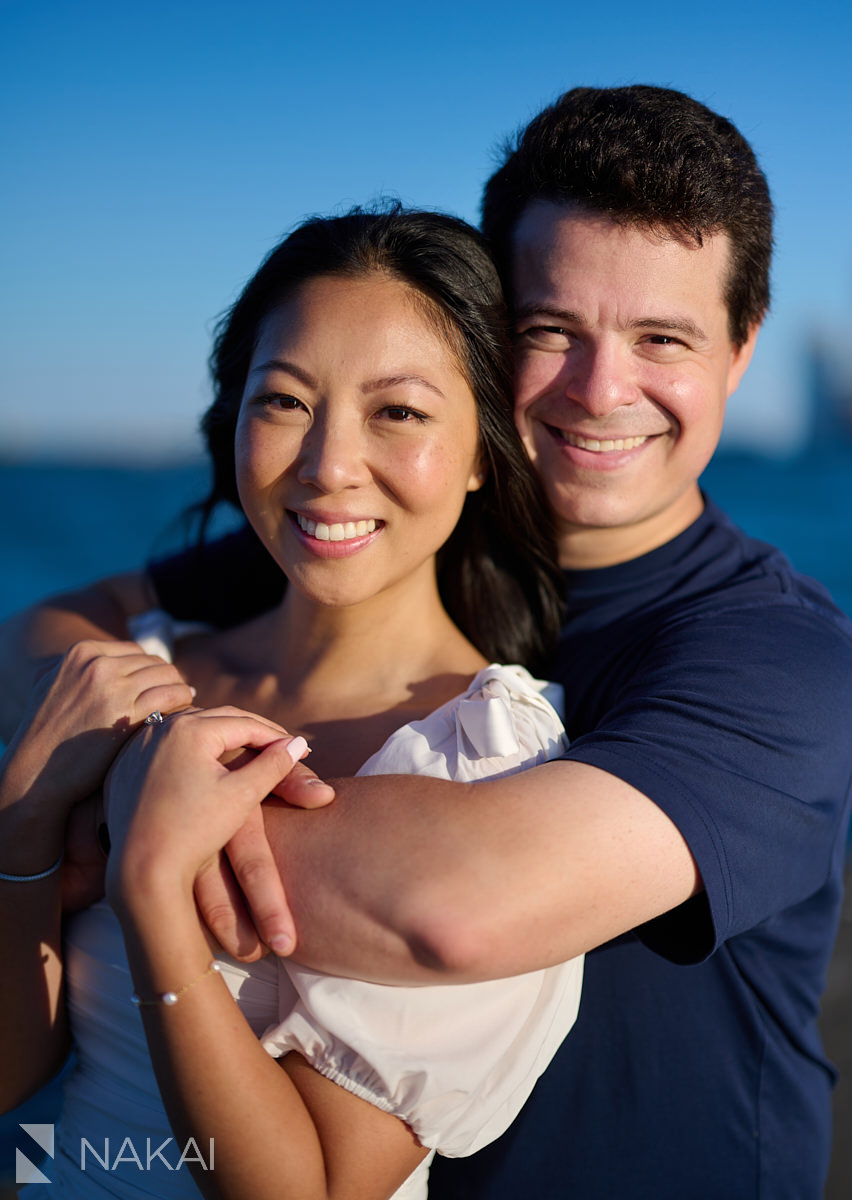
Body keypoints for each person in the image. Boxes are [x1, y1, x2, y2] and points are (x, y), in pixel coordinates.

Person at [3, 85, 852, 1198]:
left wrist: (113, 798)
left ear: (739, 353)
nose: (602, 391)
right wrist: (113, 747)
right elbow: (57, 630)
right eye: (551, 331)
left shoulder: (782, 658)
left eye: (663, 338)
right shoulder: (375, 539)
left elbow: (451, 909)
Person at [0, 207, 585, 1199]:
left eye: (397, 412)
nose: (326, 466)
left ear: (486, 451)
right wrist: (22, 820)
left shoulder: (489, 763)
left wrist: (152, 890)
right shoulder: (131, 675)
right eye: (283, 402)